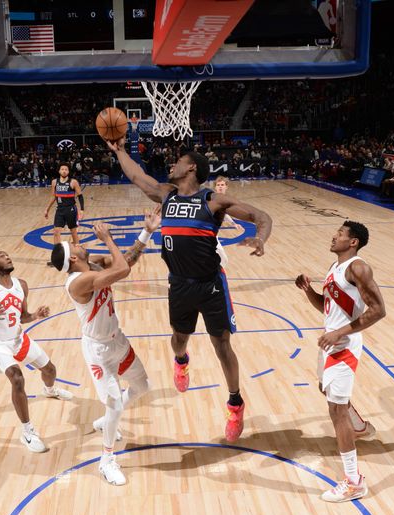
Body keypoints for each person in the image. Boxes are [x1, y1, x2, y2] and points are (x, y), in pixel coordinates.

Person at [106, 137, 273, 442]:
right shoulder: (166, 194)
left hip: (210, 284)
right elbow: (136, 176)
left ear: (191, 167)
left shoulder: (213, 201)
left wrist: (261, 238)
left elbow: (262, 216)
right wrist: (118, 151)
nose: (172, 164)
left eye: (178, 161)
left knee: (222, 346)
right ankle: (182, 362)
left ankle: (235, 403)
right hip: (179, 283)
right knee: (178, 340)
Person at [50, 214, 157, 485]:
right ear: (73, 259)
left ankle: (105, 420)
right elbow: (123, 271)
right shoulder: (77, 283)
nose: (77, 243)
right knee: (115, 406)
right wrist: (108, 239)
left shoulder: (93, 266)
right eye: (73, 245)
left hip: (117, 341)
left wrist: (146, 232)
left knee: (142, 387)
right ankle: (106, 461)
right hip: (97, 350)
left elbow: (127, 260)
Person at [295, 221, 386, 502]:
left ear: (353, 242)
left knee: (336, 410)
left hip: (344, 345)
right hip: (331, 342)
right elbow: (327, 306)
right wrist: (308, 290)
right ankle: (359, 426)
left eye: (341, 233)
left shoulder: (359, 267)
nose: (334, 235)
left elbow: (379, 310)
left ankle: (354, 481)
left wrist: (340, 333)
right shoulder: (335, 268)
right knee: (327, 390)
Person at [0, 250, 74, 453]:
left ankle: (49, 391)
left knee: (50, 370)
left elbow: (22, 316)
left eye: (7, 255)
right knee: (17, 378)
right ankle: (27, 431)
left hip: (18, 338)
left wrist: (35, 315)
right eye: (1, 256)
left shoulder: (21, 285)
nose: (7, 257)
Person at [44, 164, 85, 246]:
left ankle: (78, 250)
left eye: (66, 169)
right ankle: (57, 252)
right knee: (56, 231)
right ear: (59, 171)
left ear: (68, 171)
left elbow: (80, 196)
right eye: (62, 169)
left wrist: (82, 210)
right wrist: (47, 209)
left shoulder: (73, 182)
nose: (64, 171)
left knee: (73, 231)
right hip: (60, 209)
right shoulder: (54, 182)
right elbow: (53, 197)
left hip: (71, 209)